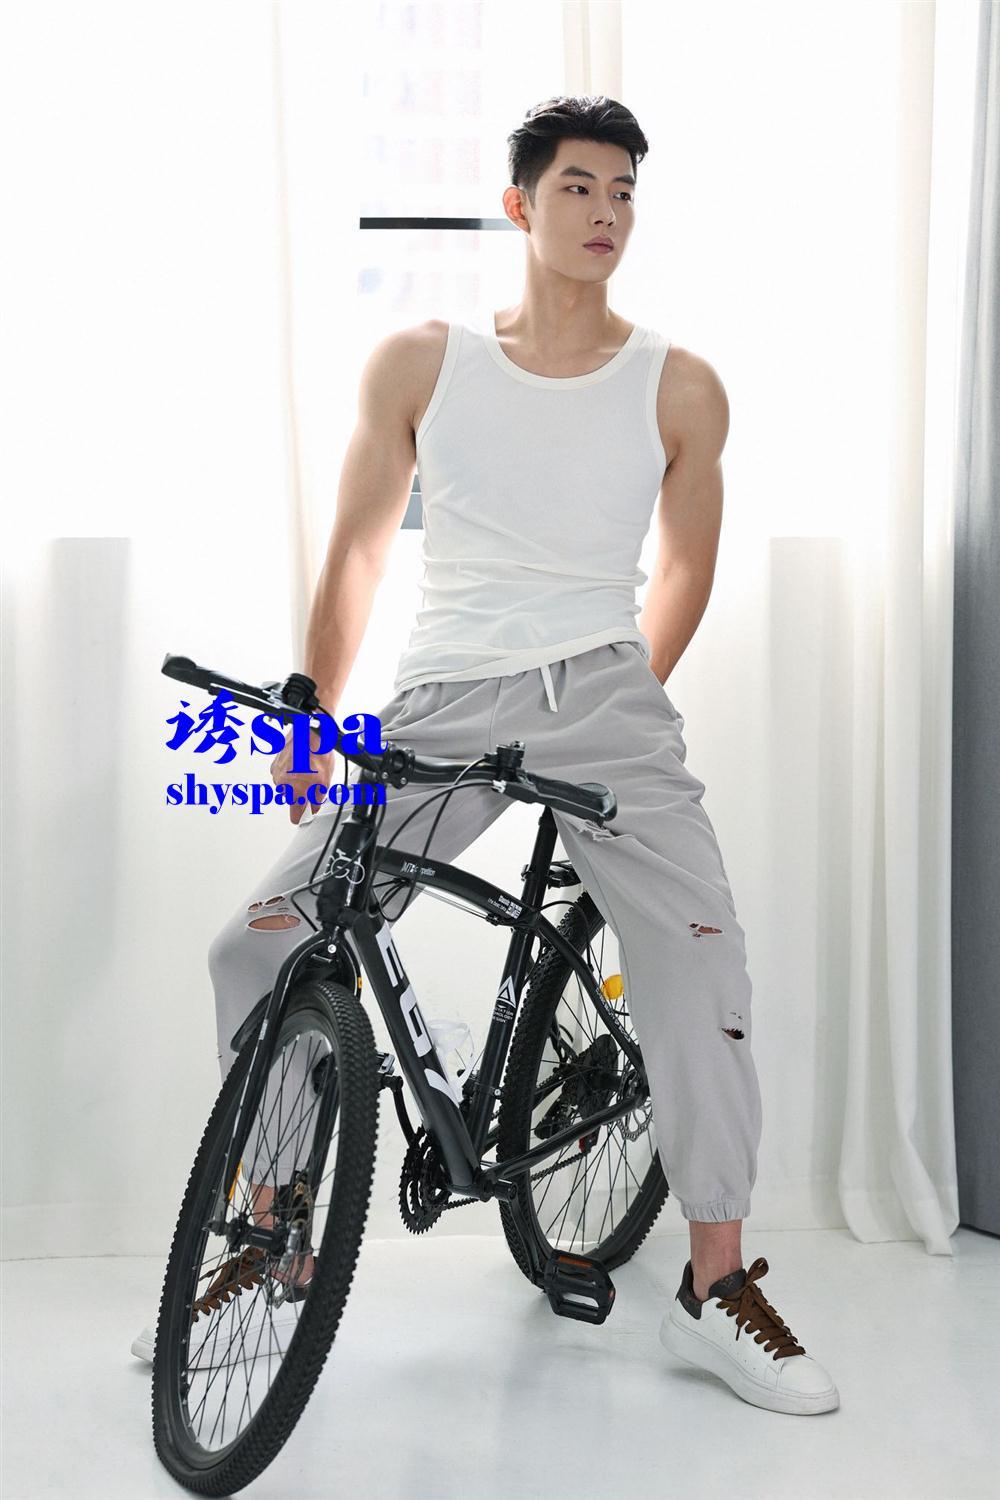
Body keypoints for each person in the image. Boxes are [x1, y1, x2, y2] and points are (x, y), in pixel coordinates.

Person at [134, 95, 838, 1417]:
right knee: (261, 941)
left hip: (607, 694)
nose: (606, 214)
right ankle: (275, 1232)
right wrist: (310, 704)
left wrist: (619, 711)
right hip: (444, 700)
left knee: (698, 958)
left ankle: (715, 1284)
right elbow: (356, 548)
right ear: (520, 205)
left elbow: (685, 568)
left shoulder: (679, 384)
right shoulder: (425, 364)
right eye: (579, 188)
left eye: (624, 192)